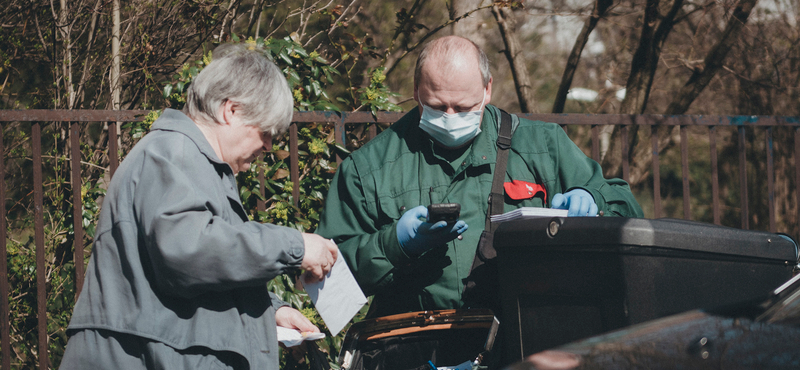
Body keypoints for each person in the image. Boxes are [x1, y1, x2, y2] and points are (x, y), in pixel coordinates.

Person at [315, 36, 643, 318]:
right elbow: (327, 286)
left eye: (463, 107)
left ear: (487, 90)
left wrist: (595, 203)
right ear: (416, 91)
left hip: (519, 342)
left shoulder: (541, 145)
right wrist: (394, 245)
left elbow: (630, 216)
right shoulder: (368, 168)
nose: (449, 118)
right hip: (414, 346)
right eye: (436, 106)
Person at [60, 43, 338, 369]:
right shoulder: (171, 153)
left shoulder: (191, 162)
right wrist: (296, 245)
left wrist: (271, 311)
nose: (268, 145)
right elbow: (187, 253)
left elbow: (211, 273)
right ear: (230, 110)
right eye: (266, 131)